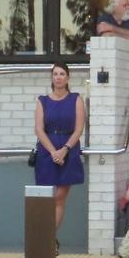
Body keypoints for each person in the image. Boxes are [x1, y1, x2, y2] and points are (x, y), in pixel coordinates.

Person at [32, 63, 86, 247]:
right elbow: (39, 129)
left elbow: (79, 128)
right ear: (52, 77)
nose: (58, 77)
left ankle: (47, 237)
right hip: (47, 150)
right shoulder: (42, 101)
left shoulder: (76, 99)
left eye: (62, 74)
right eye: (55, 74)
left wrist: (64, 150)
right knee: (46, 197)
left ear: (68, 78)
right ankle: (46, 237)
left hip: (68, 150)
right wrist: (53, 151)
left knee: (60, 197)